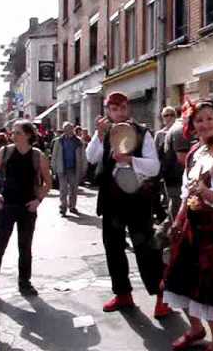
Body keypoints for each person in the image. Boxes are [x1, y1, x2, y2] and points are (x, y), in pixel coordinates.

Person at [85, 92, 172, 318]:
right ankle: (123, 294)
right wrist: (98, 134)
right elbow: (91, 158)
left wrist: (131, 160)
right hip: (111, 200)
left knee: (145, 249)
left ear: (128, 108)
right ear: (108, 111)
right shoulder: (104, 134)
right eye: (114, 109)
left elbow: (154, 167)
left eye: (122, 108)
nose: (119, 113)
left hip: (137, 200)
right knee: (113, 248)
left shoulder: (143, 133)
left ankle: (162, 295)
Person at [164, 98, 213, 351]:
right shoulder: (195, 152)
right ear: (193, 125)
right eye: (200, 120)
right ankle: (196, 328)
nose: (205, 123)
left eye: (210, 118)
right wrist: (177, 219)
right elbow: (187, 193)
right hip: (191, 224)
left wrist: (204, 190)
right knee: (179, 278)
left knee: (209, 287)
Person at [0, 120, 52, 297]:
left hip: (27, 207)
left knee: (25, 247)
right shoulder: (5, 151)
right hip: (6, 206)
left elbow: (48, 182)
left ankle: (25, 283)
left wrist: (38, 200)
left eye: (18, 132)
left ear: (28, 135)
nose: (14, 135)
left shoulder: (37, 155)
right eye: (13, 132)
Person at [51, 121, 87, 216]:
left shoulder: (78, 142)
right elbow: (54, 155)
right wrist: (53, 168)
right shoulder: (59, 141)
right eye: (66, 129)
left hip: (74, 168)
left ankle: (72, 206)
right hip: (62, 168)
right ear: (64, 130)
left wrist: (84, 168)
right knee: (63, 189)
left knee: (73, 189)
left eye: (70, 129)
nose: (68, 131)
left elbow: (83, 156)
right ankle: (63, 207)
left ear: (73, 129)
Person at [152, 106, 177, 224]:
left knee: (174, 198)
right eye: (166, 115)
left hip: (177, 170)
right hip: (164, 170)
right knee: (163, 197)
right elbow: (155, 153)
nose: (169, 117)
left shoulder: (179, 131)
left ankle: (172, 222)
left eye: (171, 114)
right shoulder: (160, 134)